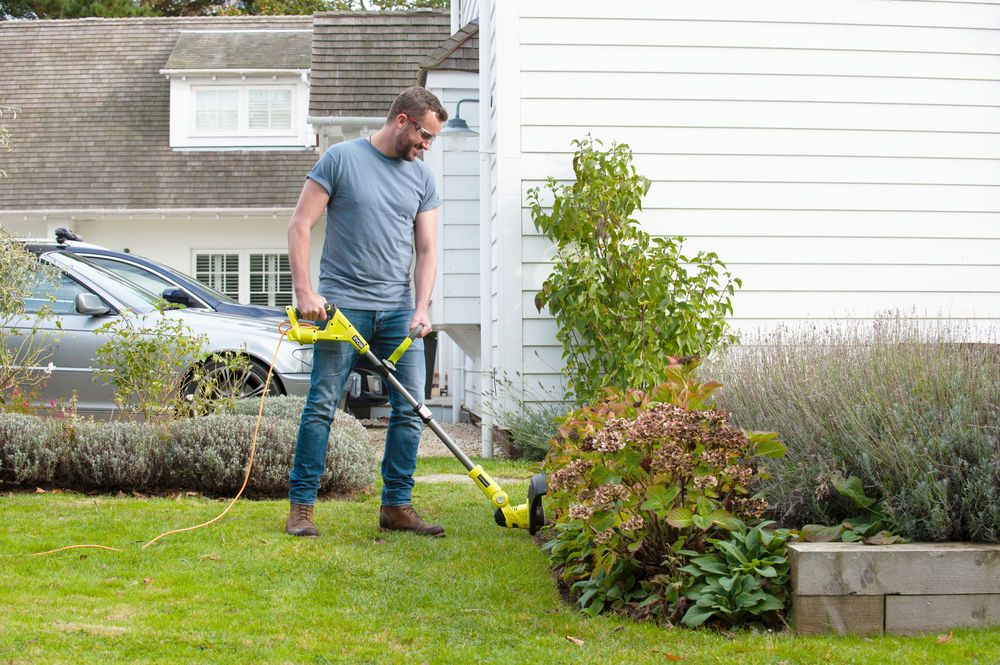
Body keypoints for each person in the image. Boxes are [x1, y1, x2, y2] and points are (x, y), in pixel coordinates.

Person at [285, 86, 447, 538]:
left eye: (432, 139)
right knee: (322, 405)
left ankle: (396, 505)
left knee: (410, 408)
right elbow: (300, 225)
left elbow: (427, 251)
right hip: (342, 307)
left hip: (398, 312)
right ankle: (301, 508)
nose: (426, 146)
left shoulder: (422, 178)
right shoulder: (340, 159)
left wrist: (421, 308)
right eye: (425, 136)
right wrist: (305, 291)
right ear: (403, 121)